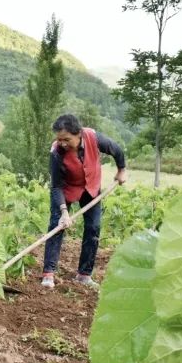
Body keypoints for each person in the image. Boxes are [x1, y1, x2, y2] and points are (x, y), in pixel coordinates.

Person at [42, 113, 126, 288]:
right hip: (65, 188)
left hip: (91, 186)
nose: (62, 143)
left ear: (78, 133)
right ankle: (48, 273)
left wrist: (121, 170)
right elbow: (56, 186)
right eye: (59, 139)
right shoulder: (56, 151)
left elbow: (117, 150)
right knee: (56, 226)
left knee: (93, 228)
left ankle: (84, 274)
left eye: (66, 139)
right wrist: (64, 213)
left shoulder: (93, 138)